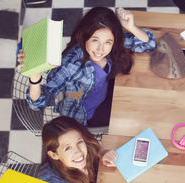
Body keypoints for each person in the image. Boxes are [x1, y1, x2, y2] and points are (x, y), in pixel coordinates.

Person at [17, 7, 156, 126]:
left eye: (108, 42)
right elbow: (37, 104)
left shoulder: (112, 46)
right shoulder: (71, 65)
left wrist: (131, 27)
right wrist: (35, 77)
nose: (101, 49)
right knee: (136, 114)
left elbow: (148, 44)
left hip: (103, 93)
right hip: (86, 115)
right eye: (95, 40)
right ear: (85, 37)